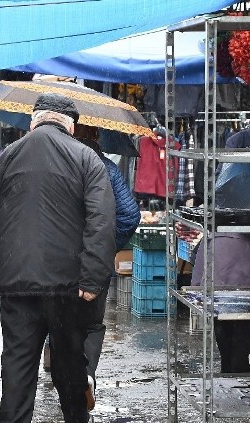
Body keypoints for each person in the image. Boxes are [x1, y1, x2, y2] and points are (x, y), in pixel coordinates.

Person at [0, 93, 116, 423]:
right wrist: (92, 278)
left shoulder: (5, 159)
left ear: (33, 122)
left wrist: (4, 265)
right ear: (71, 125)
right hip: (69, 286)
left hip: (17, 284)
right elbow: (102, 224)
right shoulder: (88, 159)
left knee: (18, 360)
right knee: (70, 361)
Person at [42, 125, 141, 406]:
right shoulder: (106, 168)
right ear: (97, 136)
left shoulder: (53, 164)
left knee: (56, 320)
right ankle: (85, 375)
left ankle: (60, 374)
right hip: (94, 263)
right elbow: (129, 215)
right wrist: (106, 247)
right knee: (92, 324)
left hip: (54, 262)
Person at [191, 98, 250, 373]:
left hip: (218, 244)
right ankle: (236, 368)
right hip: (240, 245)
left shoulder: (235, 143)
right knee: (242, 313)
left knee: (224, 313)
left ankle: (229, 366)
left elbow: (219, 180)